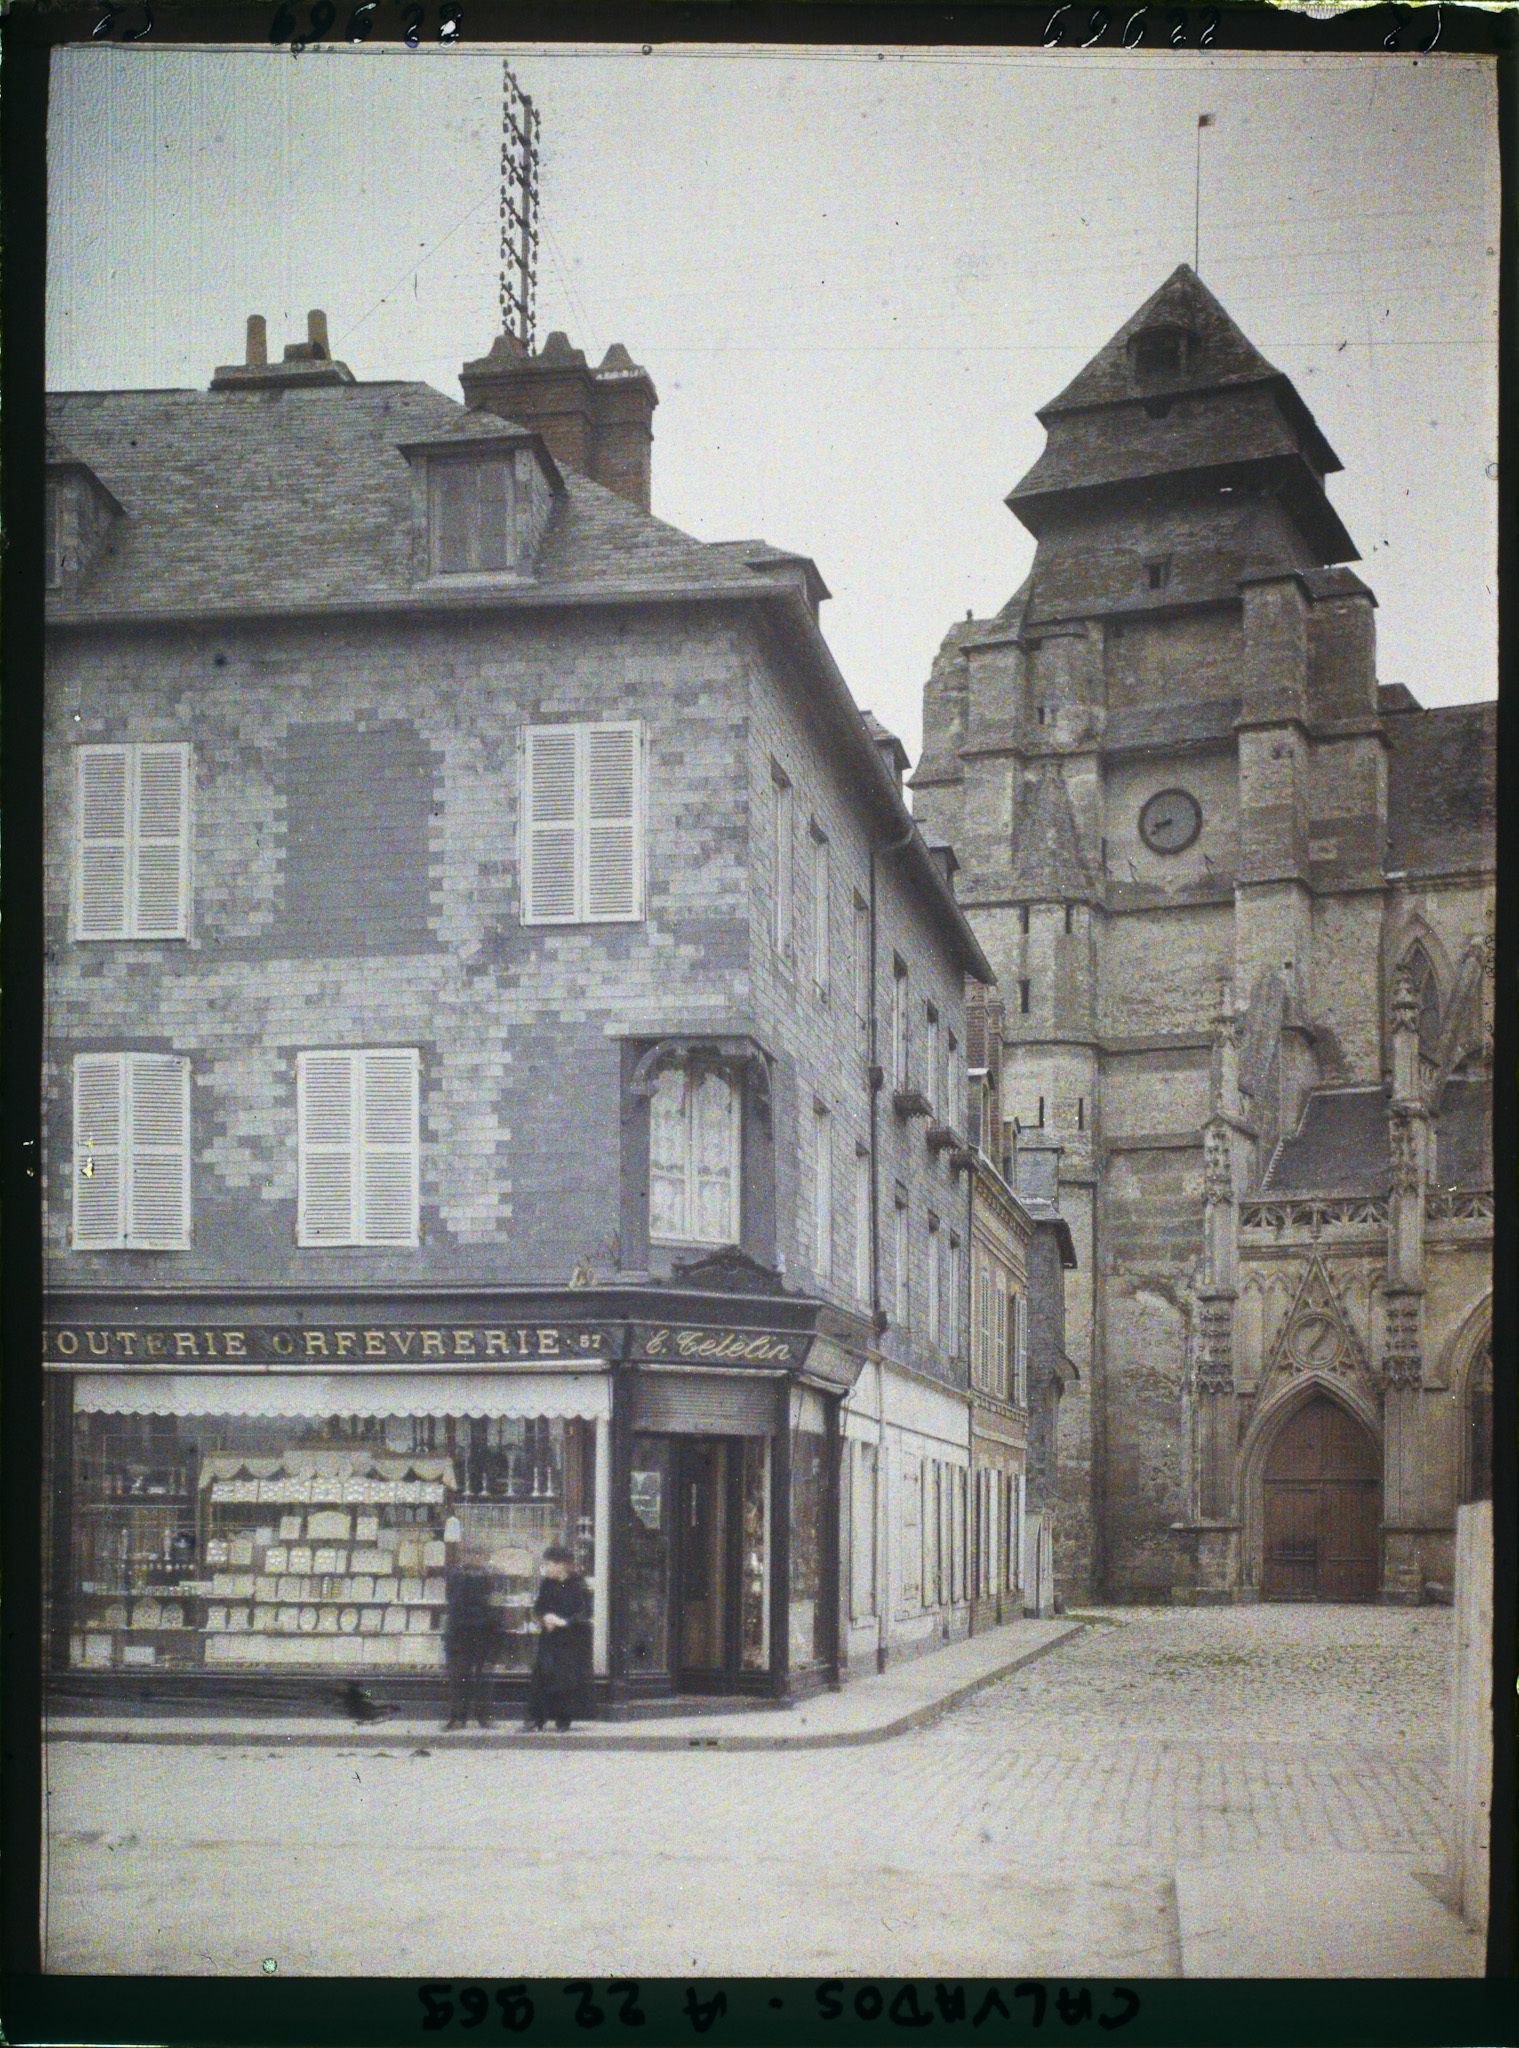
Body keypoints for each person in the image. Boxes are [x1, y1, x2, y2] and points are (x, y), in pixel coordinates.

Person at [524, 1543, 592, 1732]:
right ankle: (537, 1719)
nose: (545, 1569)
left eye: (548, 1565)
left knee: (565, 1680)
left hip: (571, 1640)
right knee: (542, 1676)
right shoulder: (547, 1584)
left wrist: (564, 1622)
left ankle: (563, 1720)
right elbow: (539, 1607)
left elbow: (585, 1613)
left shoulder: (579, 1585)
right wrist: (544, 1617)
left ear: (560, 1565)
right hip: (550, 1638)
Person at [442, 1549, 499, 1730]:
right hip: (476, 1632)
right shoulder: (485, 1577)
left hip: (462, 1632)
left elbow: (451, 1600)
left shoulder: (456, 1576)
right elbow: (490, 1604)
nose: (476, 1558)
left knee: (462, 1676)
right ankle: (482, 1717)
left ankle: (459, 1718)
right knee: (479, 1677)